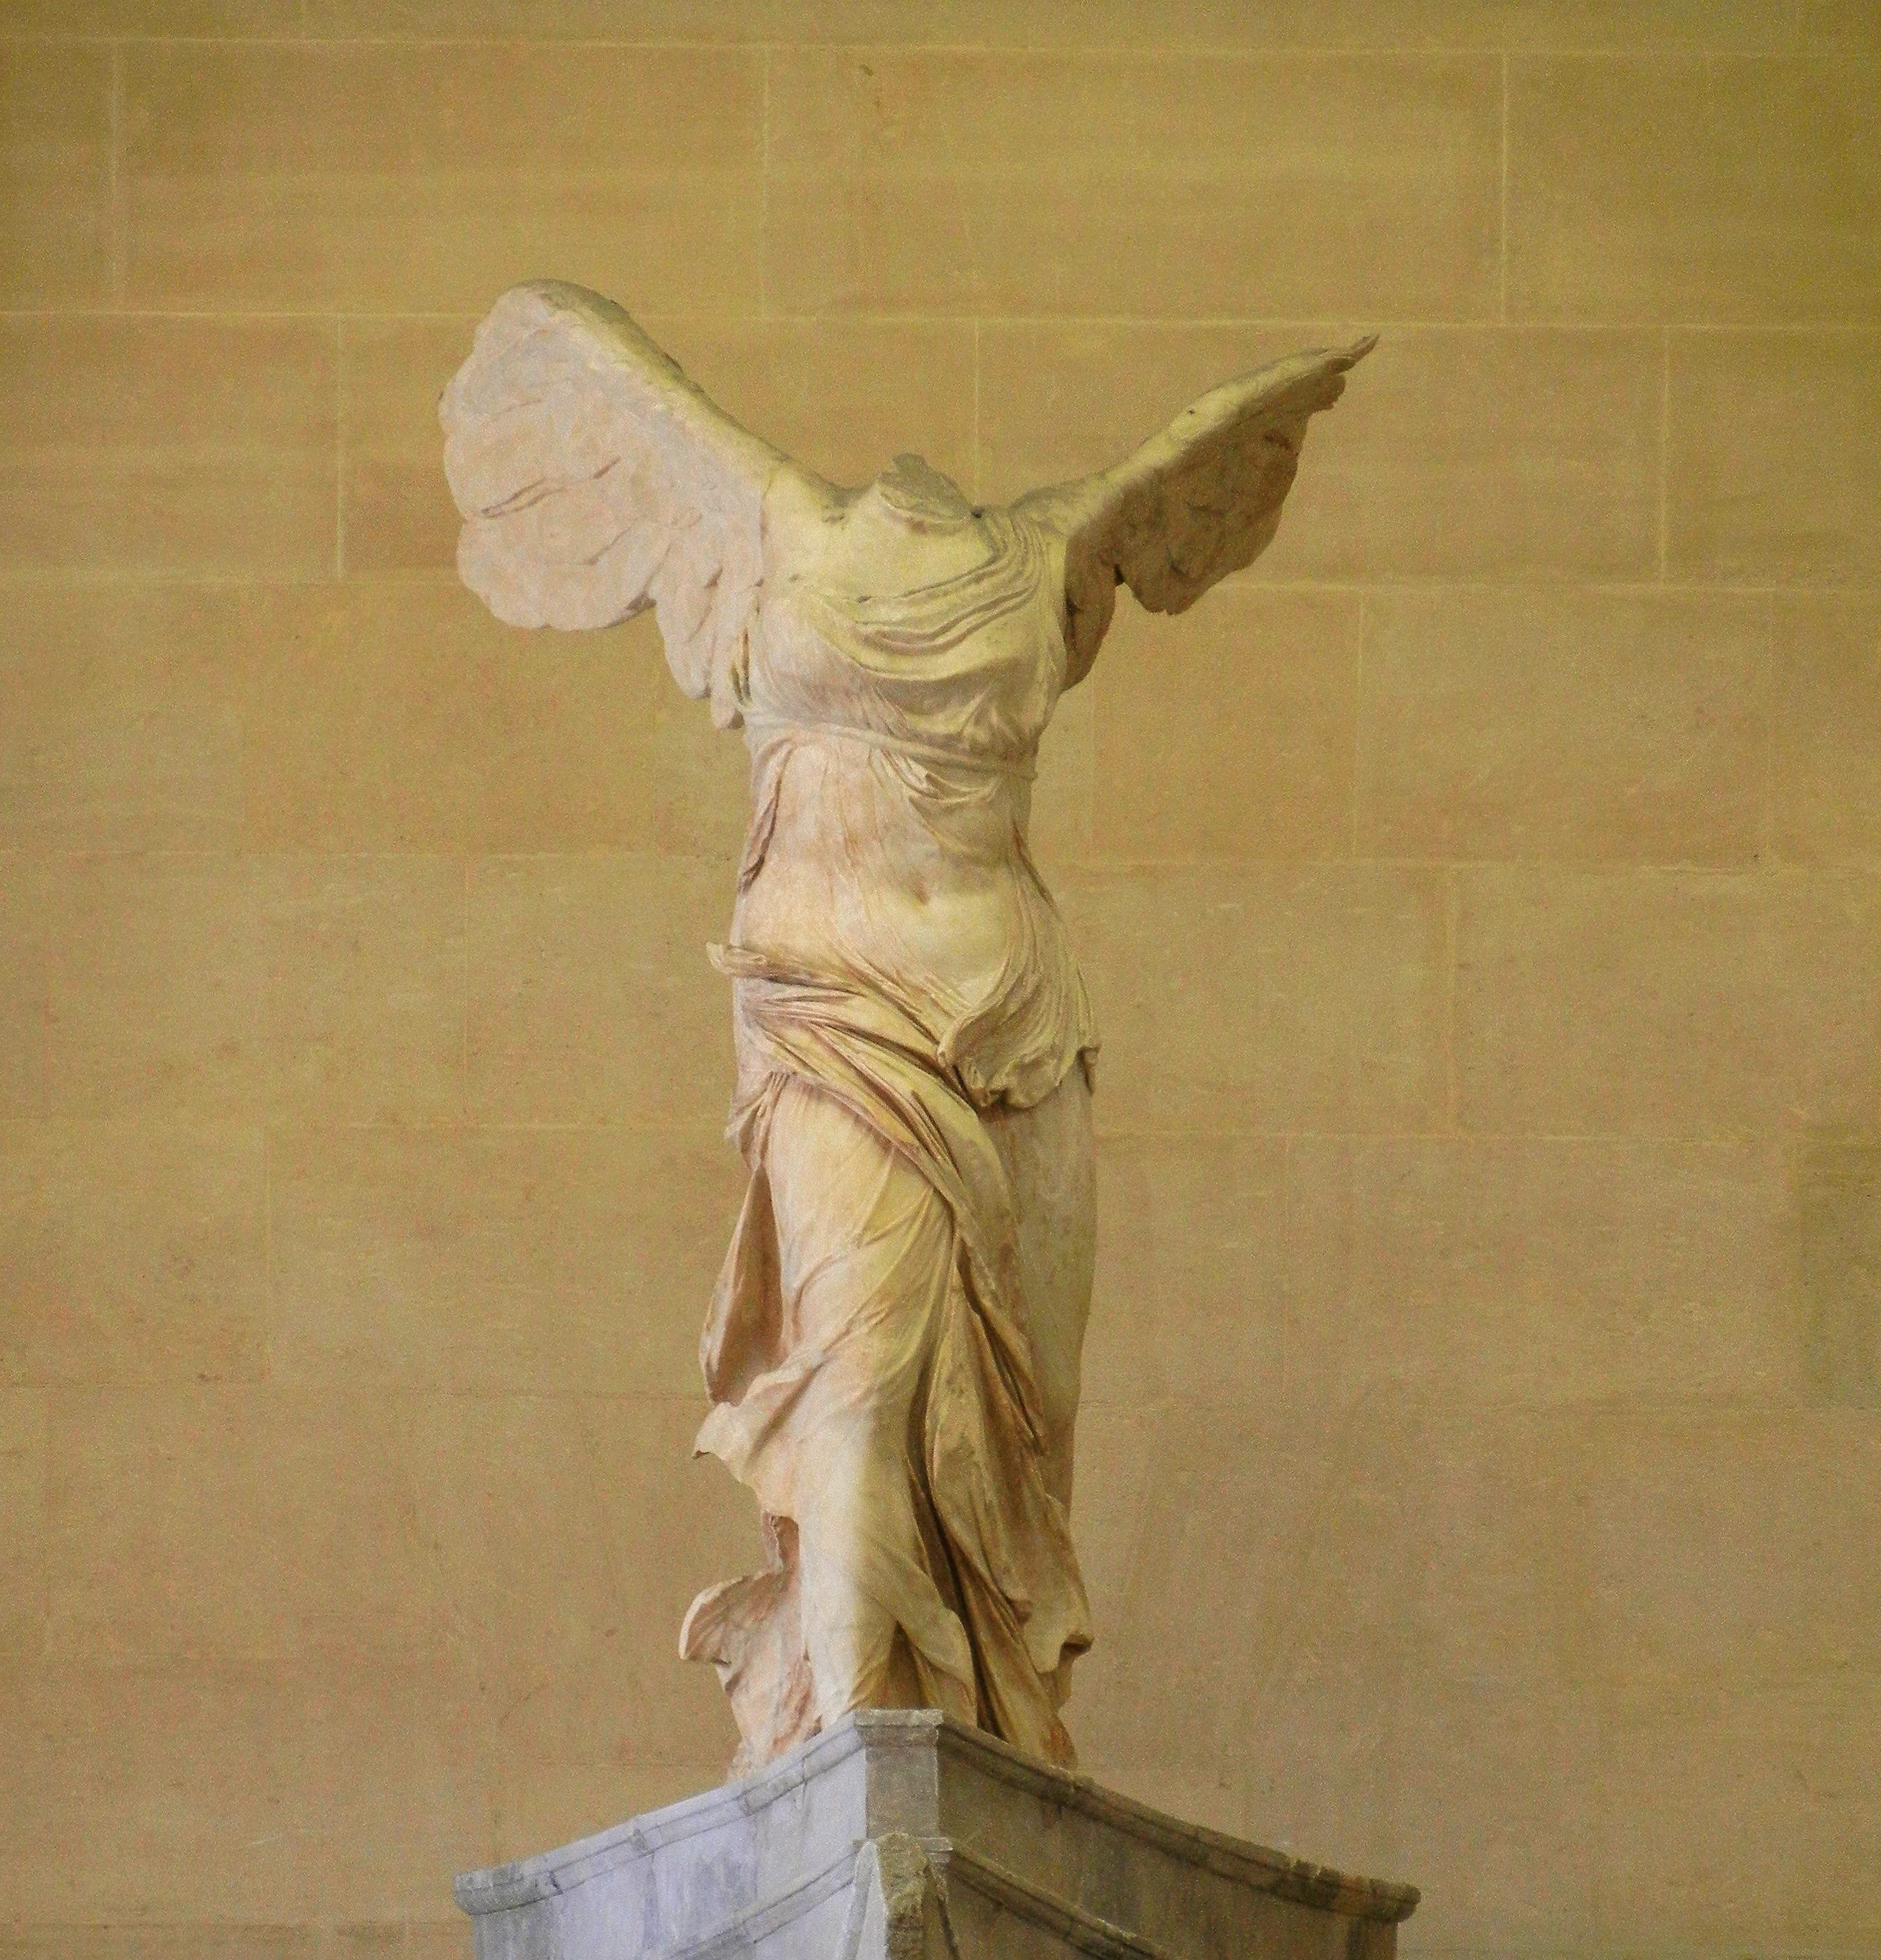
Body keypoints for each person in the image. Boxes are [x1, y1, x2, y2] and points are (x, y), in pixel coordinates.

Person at [443, 283, 1369, 1774]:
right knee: (859, 1391)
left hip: (1015, 1024)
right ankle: (849, 1765)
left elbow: (1205, 455)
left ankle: (989, 1734)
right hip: (836, 1019)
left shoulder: (1049, 550)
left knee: (1027, 1418)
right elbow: (574, 364)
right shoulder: (773, 523)